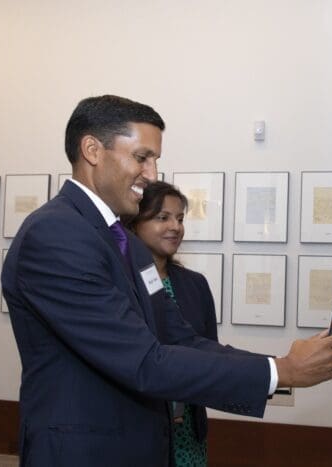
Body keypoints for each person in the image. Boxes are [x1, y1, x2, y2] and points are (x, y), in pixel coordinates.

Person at [2, 95, 332, 467]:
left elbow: (179, 337)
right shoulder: (55, 234)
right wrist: (282, 371)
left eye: (155, 161)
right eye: (141, 157)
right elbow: (144, 362)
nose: (151, 175)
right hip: (84, 453)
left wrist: (277, 365)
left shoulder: (126, 243)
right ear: (92, 150)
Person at [125, 181, 215, 466]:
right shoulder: (122, 284)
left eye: (180, 218)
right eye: (162, 218)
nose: (175, 227)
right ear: (135, 223)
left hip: (187, 430)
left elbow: (208, 353)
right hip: (137, 426)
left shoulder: (195, 285)